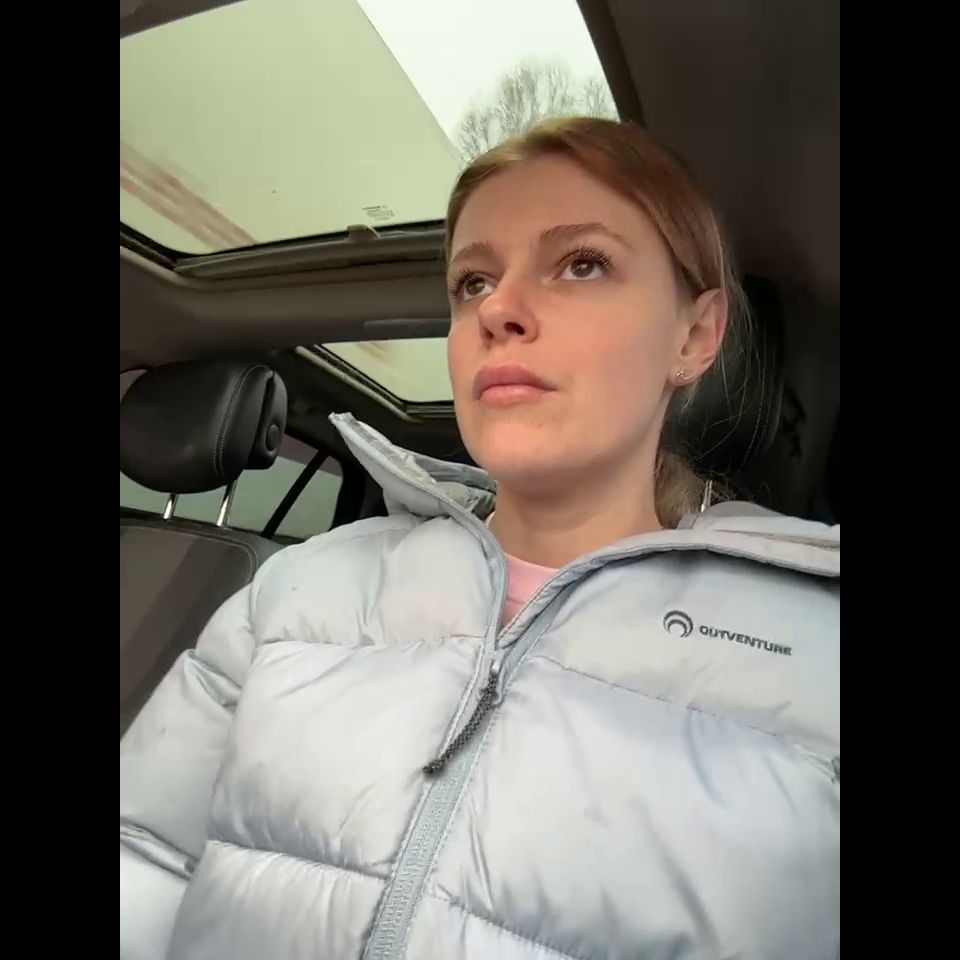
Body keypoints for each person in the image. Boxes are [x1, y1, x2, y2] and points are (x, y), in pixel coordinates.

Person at [120, 117, 839, 960]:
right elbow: (145, 859)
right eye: (472, 282)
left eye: (582, 263)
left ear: (695, 335)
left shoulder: (818, 659)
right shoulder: (297, 589)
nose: (498, 309)